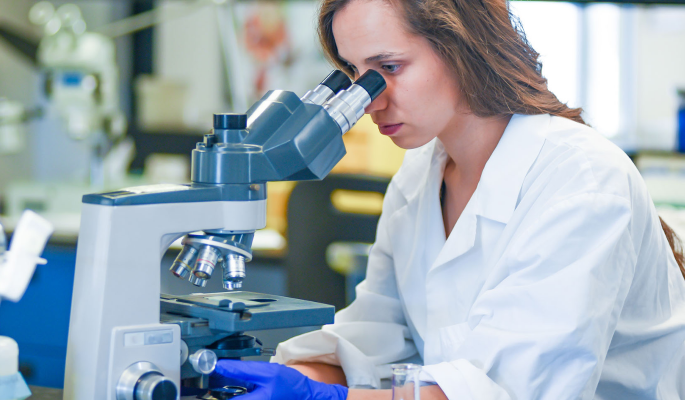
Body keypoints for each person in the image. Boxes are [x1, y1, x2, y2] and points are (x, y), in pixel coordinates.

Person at [212, 0, 685, 399]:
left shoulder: (580, 180)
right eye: (354, 75)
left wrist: (326, 397)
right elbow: (376, 339)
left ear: (462, 49)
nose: (369, 100)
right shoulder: (420, 178)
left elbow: (510, 390)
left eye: (389, 68)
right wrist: (298, 379)